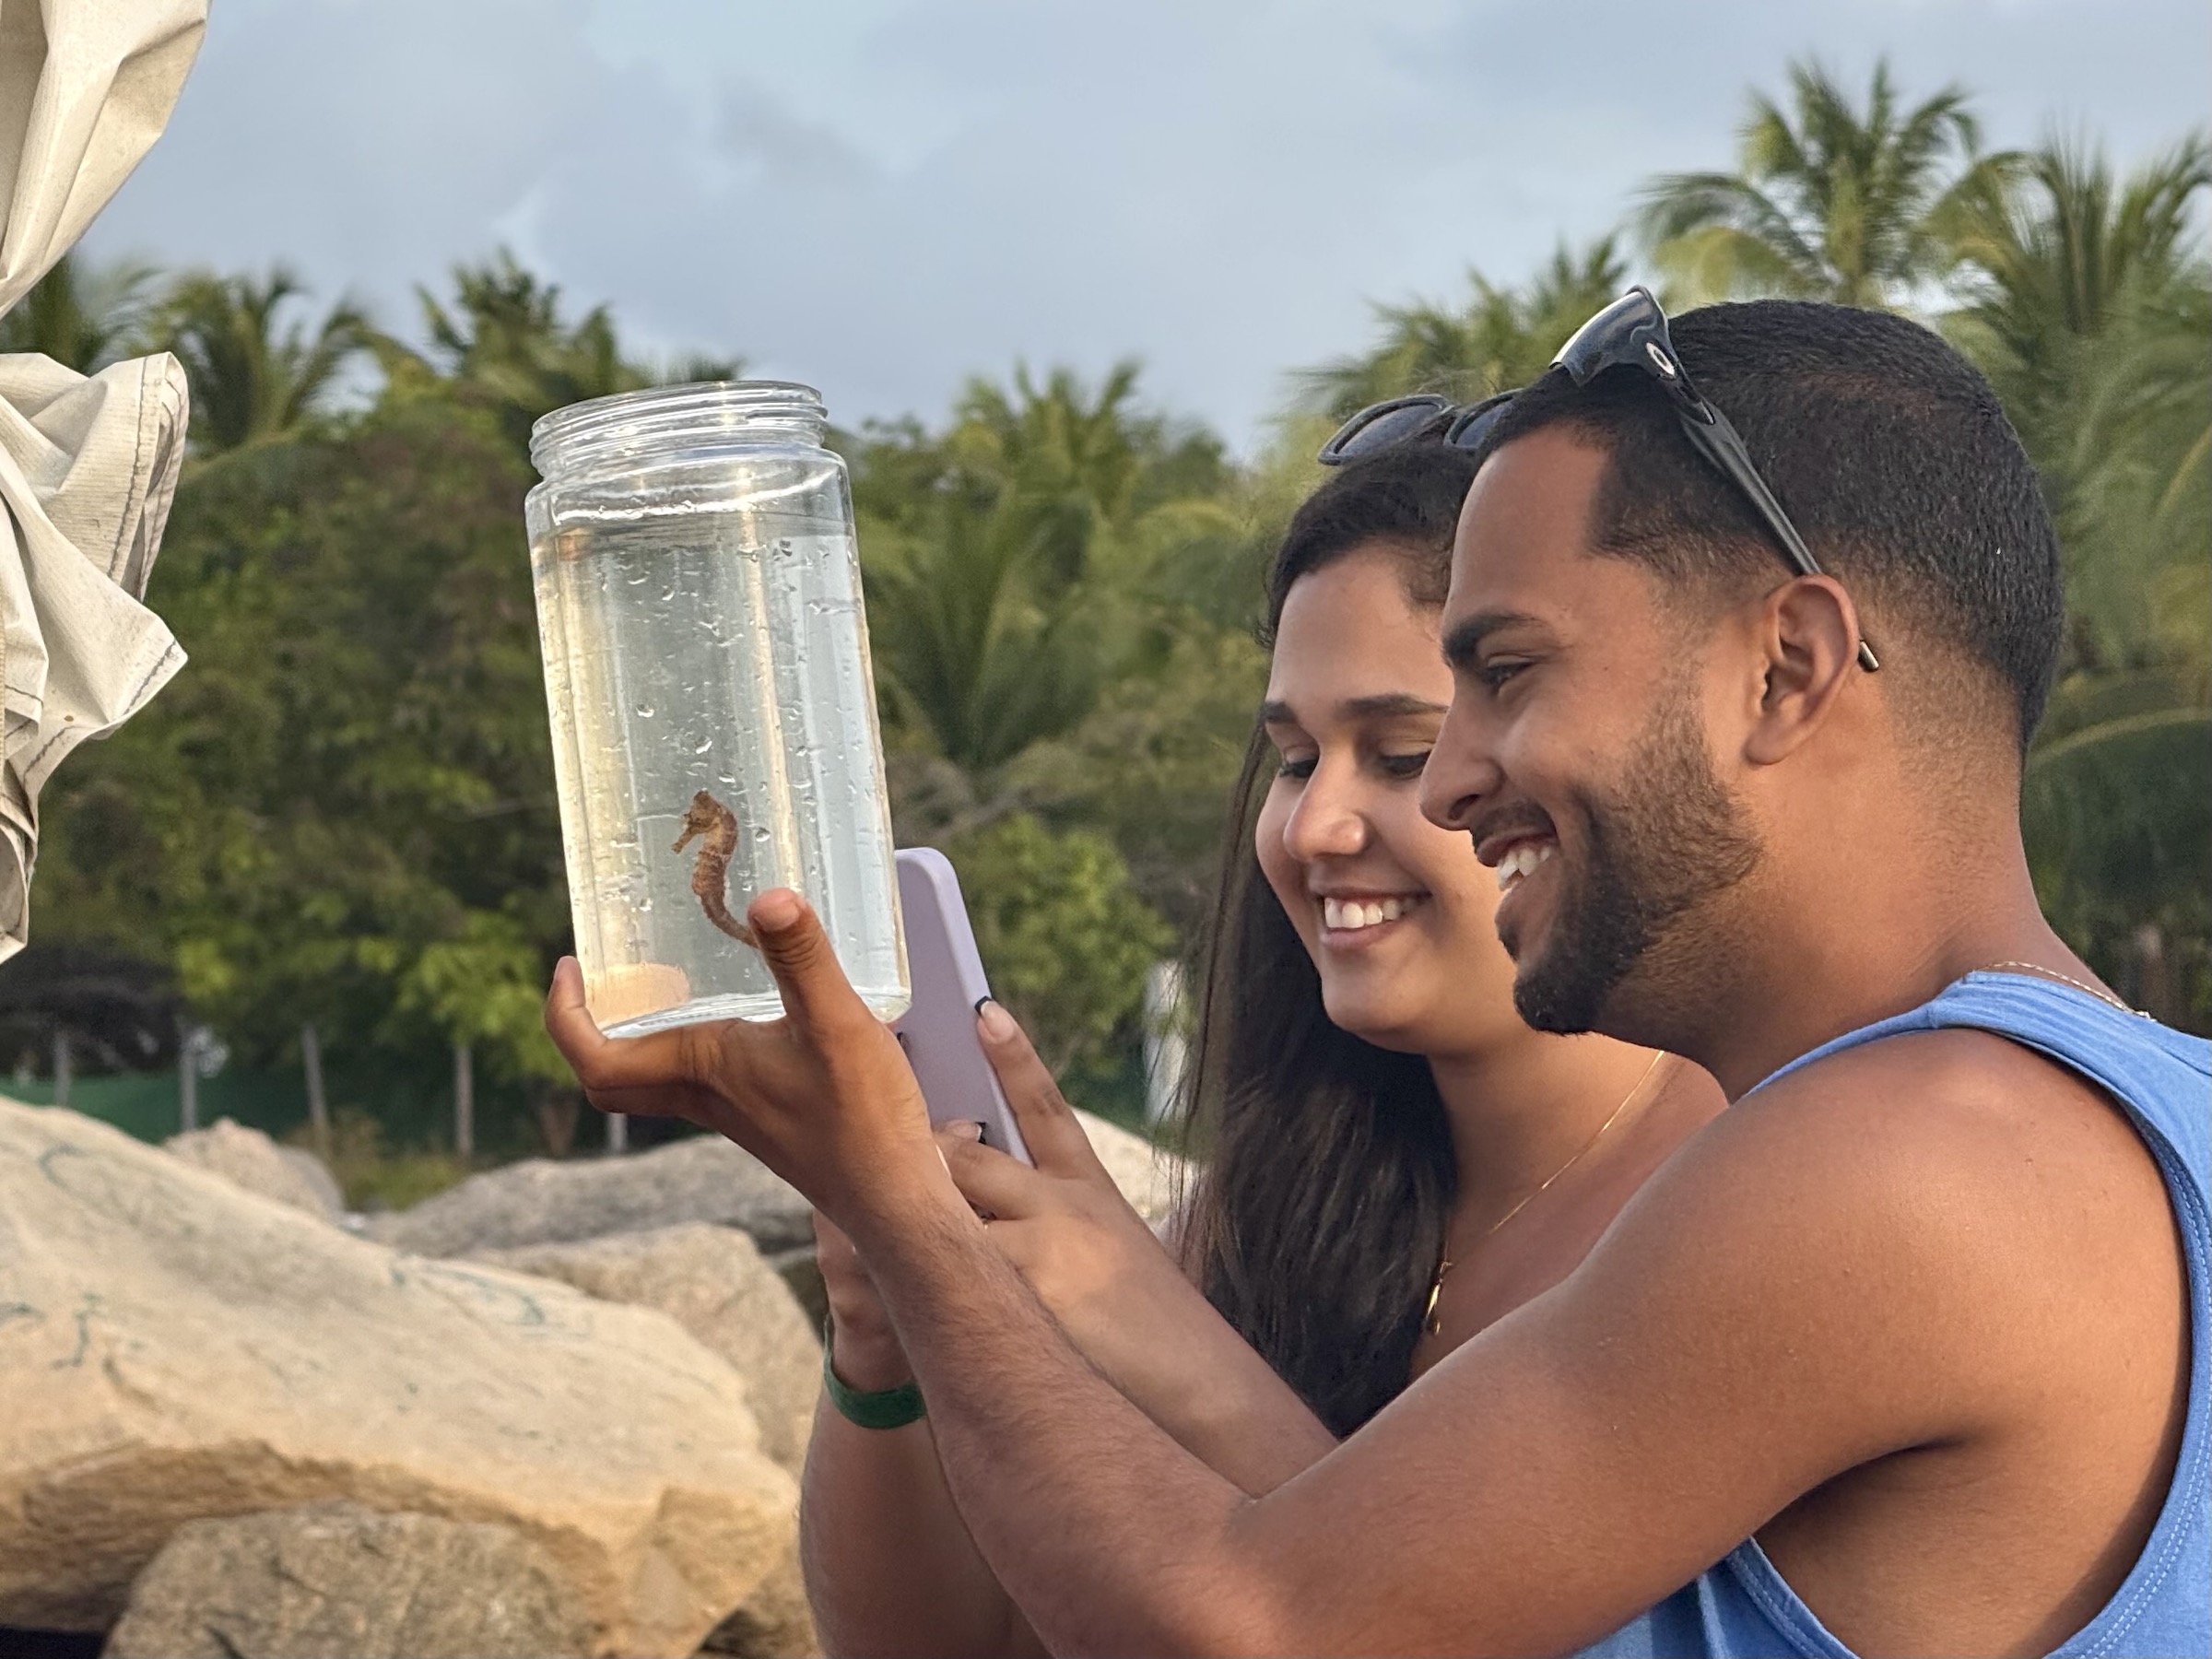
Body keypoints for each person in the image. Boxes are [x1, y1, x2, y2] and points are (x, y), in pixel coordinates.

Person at [547, 293, 2208, 1656]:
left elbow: (1257, 1633)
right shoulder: (2100, 1113)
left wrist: (905, 1212)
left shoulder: (1922, 1156)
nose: (1455, 784)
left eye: (1497, 680)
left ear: (1784, 667)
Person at [798, 444, 1726, 1655]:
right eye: (1294, 758)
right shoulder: (1289, 1206)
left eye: (1398, 754)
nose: (1314, 826)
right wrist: (889, 1328)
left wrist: (1179, 1354)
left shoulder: (1736, 1192)